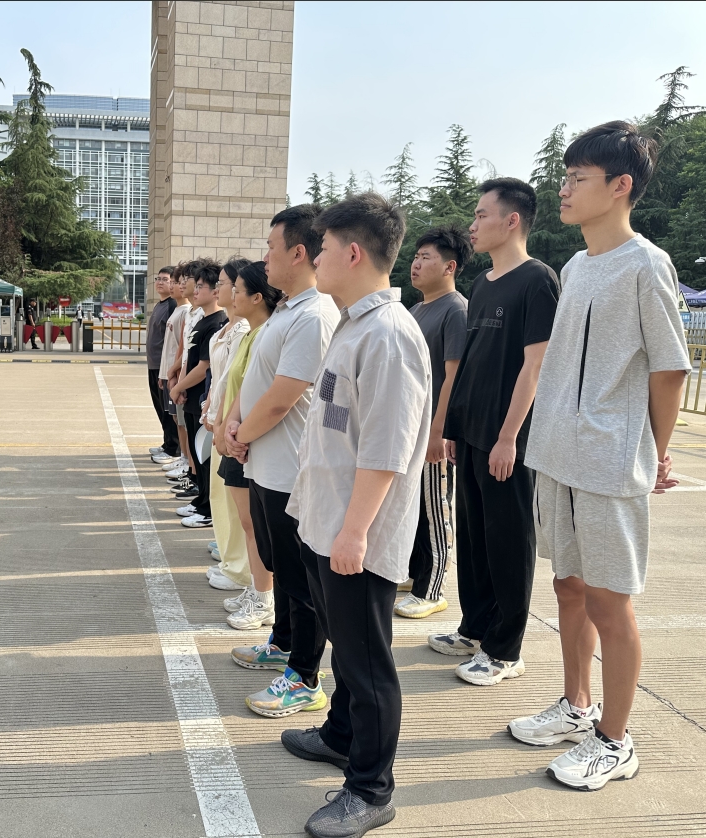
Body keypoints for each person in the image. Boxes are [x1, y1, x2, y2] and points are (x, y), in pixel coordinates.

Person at [510, 122, 690, 790]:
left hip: (609, 461)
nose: (563, 189)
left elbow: (668, 369)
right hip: (558, 453)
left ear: (619, 186)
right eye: (565, 176)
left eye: (577, 178)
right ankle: (575, 705)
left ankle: (615, 740)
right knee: (568, 587)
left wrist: (655, 452)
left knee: (611, 604)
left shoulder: (646, 264)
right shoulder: (576, 266)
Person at [281, 192, 429, 838]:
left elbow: (386, 449)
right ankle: (341, 734)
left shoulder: (389, 335)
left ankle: (370, 788)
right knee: (346, 649)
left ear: (352, 253)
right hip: (326, 520)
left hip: (354, 533)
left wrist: (355, 531)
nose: (314, 258)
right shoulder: (352, 324)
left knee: (368, 665)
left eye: (322, 247)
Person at [432, 178, 560, 685]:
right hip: (471, 431)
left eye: (482, 214)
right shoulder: (483, 284)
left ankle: (505, 650)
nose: (473, 224)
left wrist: (509, 437)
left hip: (507, 437)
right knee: (474, 537)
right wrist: (453, 426)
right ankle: (475, 628)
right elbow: (471, 362)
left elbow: (535, 366)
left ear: (512, 221)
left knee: (508, 541)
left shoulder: (537, 280)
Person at [224, 204, 340, 718]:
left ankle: (305, 677)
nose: (264, 257)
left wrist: (239, 435)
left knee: (301, 579)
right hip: (266, 464)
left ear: (298, 252)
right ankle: (284, 642)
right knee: (282, 567)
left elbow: (283, 397)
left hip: (291, 468)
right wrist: (235, 425)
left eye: (271, 247)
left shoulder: (315, 315)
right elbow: (257, 380)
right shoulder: (290, 310)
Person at [395, 225, 472, 619]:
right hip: (410, 426)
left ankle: (431, 589)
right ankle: (413, 573)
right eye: (415, 256)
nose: (416, 264)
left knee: (435, 508)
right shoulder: (416, 310)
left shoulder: (456, 310)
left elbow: (454, 376)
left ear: (449, 267)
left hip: (432, 431)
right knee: (413, 505)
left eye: (426, 257)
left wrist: (439, 432)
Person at [214, 261, 282, 630]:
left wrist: (237, 434)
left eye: (238, 289)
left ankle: (263, 599)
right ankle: (258, 590)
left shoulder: (265, 334)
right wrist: (224, 424)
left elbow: (267, 395)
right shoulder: (251, 334)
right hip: (238, 435)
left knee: (256, 526)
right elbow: (237, 389)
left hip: (249, 440)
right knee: (249, 523)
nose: (232, 295)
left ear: (257, 297)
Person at [202, 257, 252, 589]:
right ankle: (229, 558)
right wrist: (210, 408)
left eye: (223, 283)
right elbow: (218, 379)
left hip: (229, 423)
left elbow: (234, 384)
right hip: (217, 418)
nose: (218, 288)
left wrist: (221, 419)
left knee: (238, 508)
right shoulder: (226, 329)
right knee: (220, 497)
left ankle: (240, 567)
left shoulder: (245, 331)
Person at [171, 261, 227, 528]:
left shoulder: (217, 323)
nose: (195, 290)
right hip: (192, 397)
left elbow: (204, 367)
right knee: (197, 452)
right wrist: (180, 385)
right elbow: (188, 359)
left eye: (201, 286)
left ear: (216, 291)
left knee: (204, 456)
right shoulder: (203, 320)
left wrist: (178, 387)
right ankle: (201, 500)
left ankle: (207, 509)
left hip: (202, 398)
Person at [155, 263, 191, 469]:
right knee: (177, 418)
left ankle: (183, 458)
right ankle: (183, 459)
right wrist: (165, 373)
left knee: (182, 420)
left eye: (178, 282)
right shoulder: (178, 310)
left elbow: (183, 350)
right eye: (176, 282)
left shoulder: (186, 312)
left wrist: (173, 373)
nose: (175, 286)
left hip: (177, 376)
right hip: (170, 374)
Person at [146, 267, 179, 461]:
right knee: (160, 407)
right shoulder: (160, 305)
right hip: (153, 365)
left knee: (168, 409)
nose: (160, 282)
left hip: (164, 367)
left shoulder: (172, 305)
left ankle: (173, 448)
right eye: (158, 278)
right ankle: (167, 443)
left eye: (165, 279)